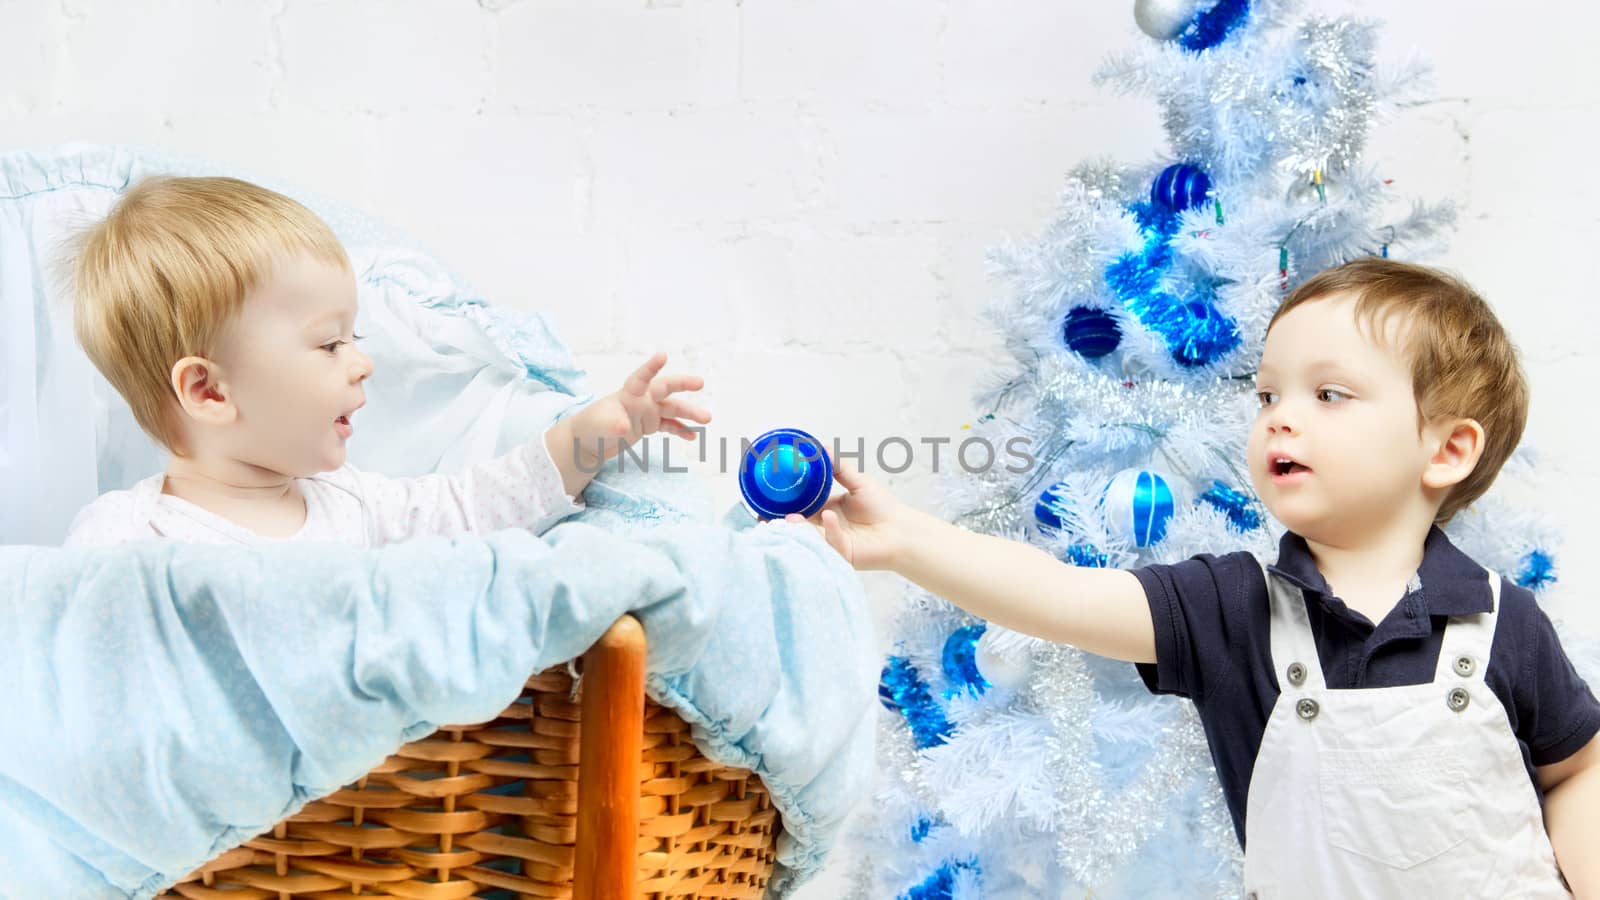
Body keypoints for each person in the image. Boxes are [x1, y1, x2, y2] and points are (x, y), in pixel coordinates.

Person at [795, 258, 1600, 897]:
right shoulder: (1233, 607)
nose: (1280, 415)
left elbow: (1578, 767)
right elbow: (1061, 595)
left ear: (1446, 450)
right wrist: (905, 539)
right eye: (1268, 393)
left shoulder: (1500, 621)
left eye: (1329, 393)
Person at [63, 175, 709, 546]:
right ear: (208, 392)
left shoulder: (352, 507)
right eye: (329, 343)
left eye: (355, 338)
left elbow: (476, 505)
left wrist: (596, 432)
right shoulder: (125, 541)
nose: (362, 364)